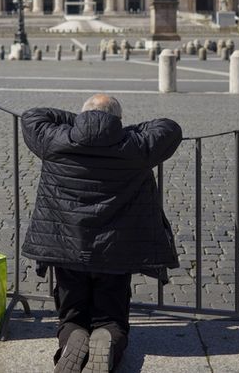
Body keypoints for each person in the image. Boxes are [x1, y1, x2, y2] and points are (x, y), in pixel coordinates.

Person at [21, 94, 182, 373]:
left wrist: (81, 121)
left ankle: (72, 336)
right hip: (116, 248)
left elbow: (32, 115)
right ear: (117, 121)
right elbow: (169, 127)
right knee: (112, 314)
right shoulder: (136, 145)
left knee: (71, 311)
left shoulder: (55, 140)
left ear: (82, 115)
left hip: (66, 245)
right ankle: (108, 337)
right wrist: (116, 127)